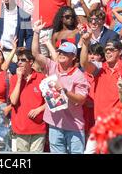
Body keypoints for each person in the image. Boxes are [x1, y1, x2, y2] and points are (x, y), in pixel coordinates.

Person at [32, 23, 89, 154]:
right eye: (60, 52)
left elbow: (81, 100)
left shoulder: (79, 76)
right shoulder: (52, 66)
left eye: (66, 53)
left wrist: (65, 91)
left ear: (73, 57)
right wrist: (36, 33)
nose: (62, 54)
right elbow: (35, 53)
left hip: (74, 125)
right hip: (55, 124)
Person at [8, 48, 46, 152]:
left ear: (31, 62)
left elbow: (52, 101)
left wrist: (39, 109)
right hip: (20, 128)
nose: (19, 63)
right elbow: (13, 101)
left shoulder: (42, 78)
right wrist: (20, 79)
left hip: (38, 128)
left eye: (23, 60)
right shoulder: (14, 78)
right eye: (18, 60)